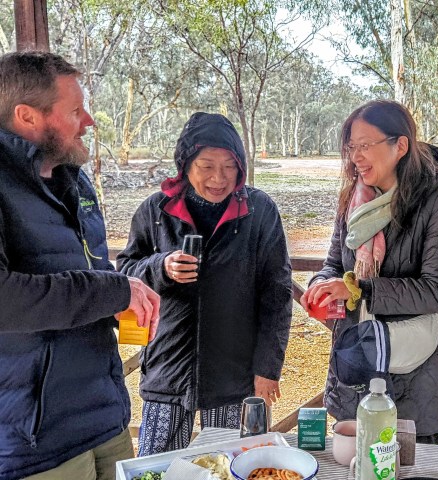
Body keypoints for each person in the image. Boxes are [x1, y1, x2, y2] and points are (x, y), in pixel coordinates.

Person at [0, 51, 160, 480]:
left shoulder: (75, 178)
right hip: (36, 439)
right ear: (27, 116)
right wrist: (113, 291)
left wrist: (122, 298)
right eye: (74, 110)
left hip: (104, 415)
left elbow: (87, 275)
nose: (88, 120)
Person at [117, 112, 293, 455]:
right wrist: (160, 267)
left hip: (234, 376)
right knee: (156, 471)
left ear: (241, 166)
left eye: (229, 166)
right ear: (185, 165)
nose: (218, 177)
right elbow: (126, 273)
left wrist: (267, 368)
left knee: (228, 465)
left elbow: (278, 294)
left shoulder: (259, 211)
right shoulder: (157, 210)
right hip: (168, 369)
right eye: (206, 165)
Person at [300, 100, 438, 444]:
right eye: (351, 147)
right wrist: (319, 285)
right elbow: (334, 263)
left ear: (400, 145)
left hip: (413, 377)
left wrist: (361, 289)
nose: (355, 157)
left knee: (406, 467)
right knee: (351, 463)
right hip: (356, 367)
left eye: (365, 146)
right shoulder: (353, 200)